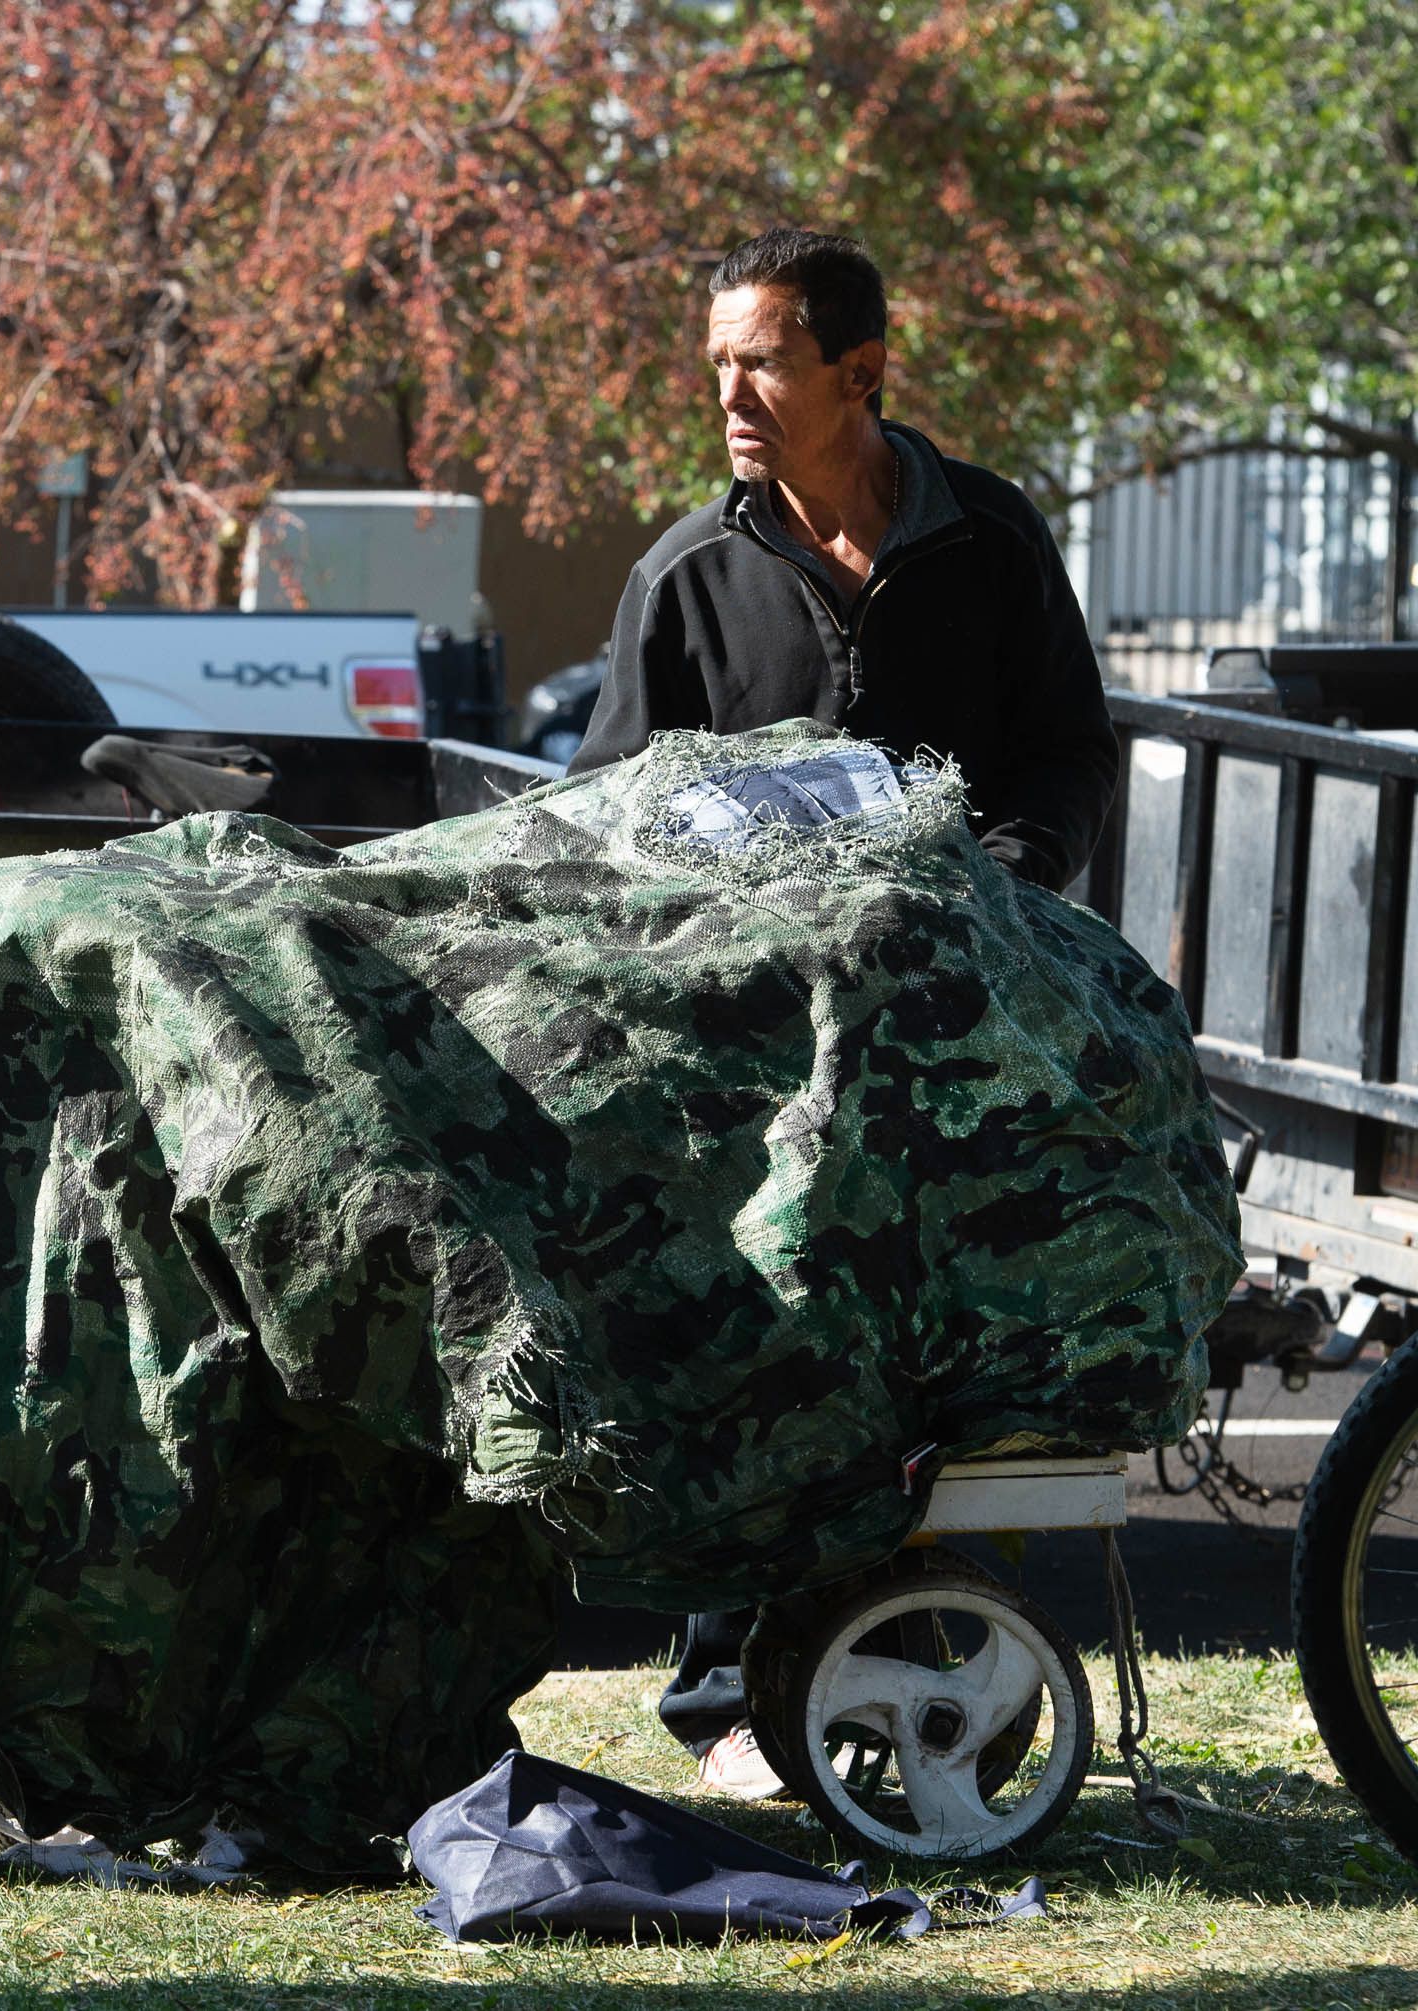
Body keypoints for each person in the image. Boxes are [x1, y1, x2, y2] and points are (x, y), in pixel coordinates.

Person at [567, 227, 1121, 1801]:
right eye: (718, 363)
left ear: (861, 373)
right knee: (760, 1345)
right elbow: (611, 815)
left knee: (933, 1363)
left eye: (762, 361)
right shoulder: (687, 572)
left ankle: (918, 1663)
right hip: (750, 1073)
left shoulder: (991, 540)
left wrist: (1003, 883)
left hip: (955, 1048)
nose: (729, 393)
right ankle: (726, 1700)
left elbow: (1069, 751)